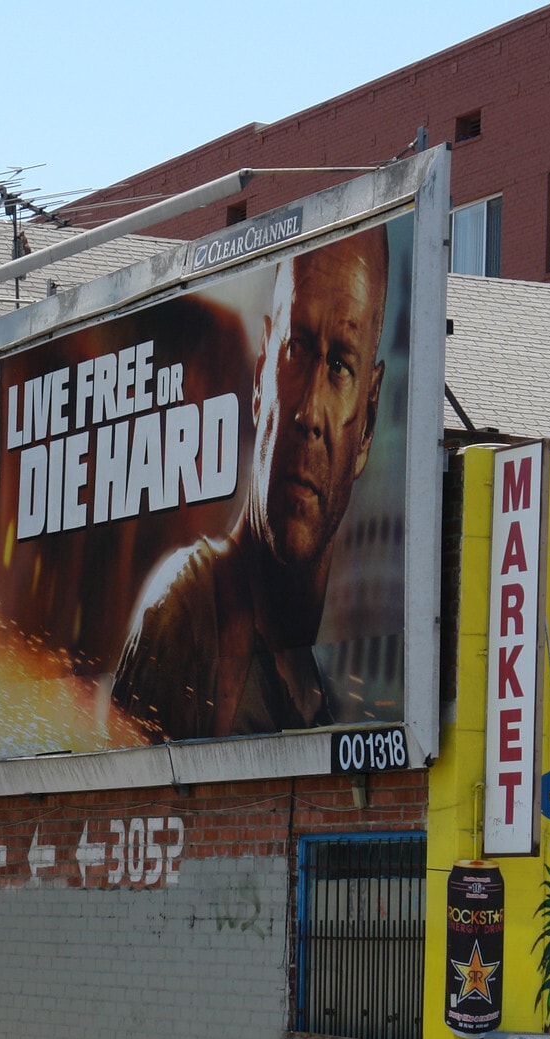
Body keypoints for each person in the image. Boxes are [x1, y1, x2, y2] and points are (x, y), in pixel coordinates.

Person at [107, 227, 389, 740]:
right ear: (261, 376)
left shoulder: (318, 694)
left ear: (367, 424)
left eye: (341, 365)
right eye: (297, 349)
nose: (309, 412)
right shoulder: (186, 616)